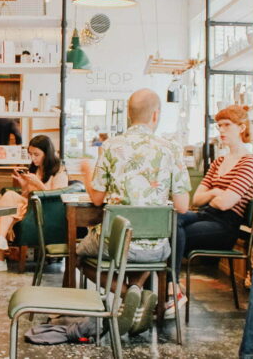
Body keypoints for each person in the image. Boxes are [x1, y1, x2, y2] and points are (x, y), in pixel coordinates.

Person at [77, 88, 191, 334]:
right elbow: (182, 206)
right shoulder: (171, 148)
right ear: (155, 115)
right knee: (145, 246)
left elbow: (97, 199)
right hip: (157, 248)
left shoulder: (110, 146)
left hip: (117, 244)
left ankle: (127, 294)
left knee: (78, 254)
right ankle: (136, 293)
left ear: (129, 115)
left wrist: (86, 173)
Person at [170, 105, 253, 318]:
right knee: (170, 219)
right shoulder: (219, 161)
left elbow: (226, 204)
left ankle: (170, 288)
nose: (222, 130)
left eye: (227, 125)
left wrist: (214, 194)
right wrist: (216, 192)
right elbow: (197, 198)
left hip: (226, 226)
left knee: (174, 232)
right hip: (206, 215)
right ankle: (170, 288)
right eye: (219, 126)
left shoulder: (249, 163)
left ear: (241, 128)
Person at [0, 135, 69, 273]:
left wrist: (37, 183)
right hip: (31, 206)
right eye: (30, 154)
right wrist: (23, 184)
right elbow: (28, 194)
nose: (33, 158)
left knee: (7, 203)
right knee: (8, 201)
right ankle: (0, 247)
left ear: (47, 153)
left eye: (36, 154)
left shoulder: (59, 170)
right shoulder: (35, 169)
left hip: (45, 212)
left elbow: (56, 198)